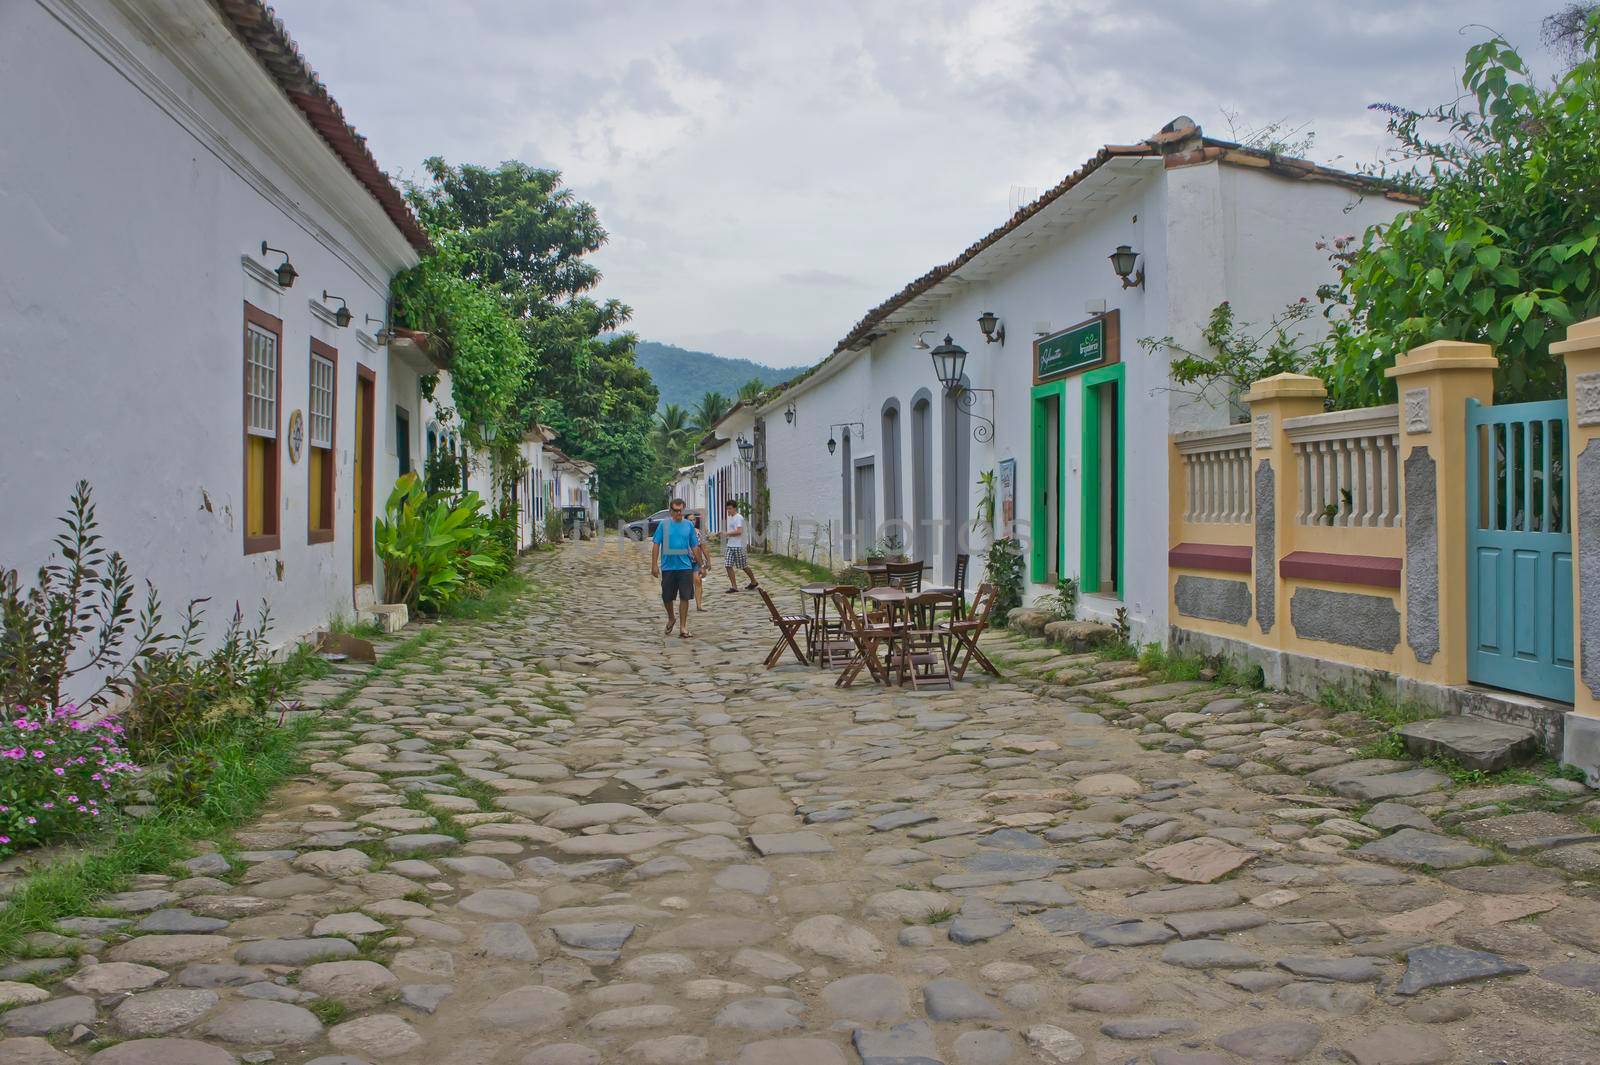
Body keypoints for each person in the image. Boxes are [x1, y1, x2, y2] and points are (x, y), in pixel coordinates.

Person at [652, 498, 700, 638]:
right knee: (667, 596)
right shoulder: (663, 525)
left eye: (681, 510)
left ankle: (683, 627)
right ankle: (671, 617)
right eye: (676, 511)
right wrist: (654, 565)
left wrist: (701, 564)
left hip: (685, 566)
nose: (679, 513)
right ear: (670, 511)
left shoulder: (688, 526)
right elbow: (656, 544)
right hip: (668, 567)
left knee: (685, 596)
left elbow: (694, 546)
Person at [721, 499, 758, 592]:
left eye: (730, 509)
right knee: (728, 565)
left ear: (735, 508)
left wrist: (726, 533)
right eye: (727, 509)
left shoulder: (739, 517)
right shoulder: (730, 518)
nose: (728, 511)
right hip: (730, 545)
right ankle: (734, 586)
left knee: (743, 566)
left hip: (738, 546)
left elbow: (739, 531)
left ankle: (754, 581)